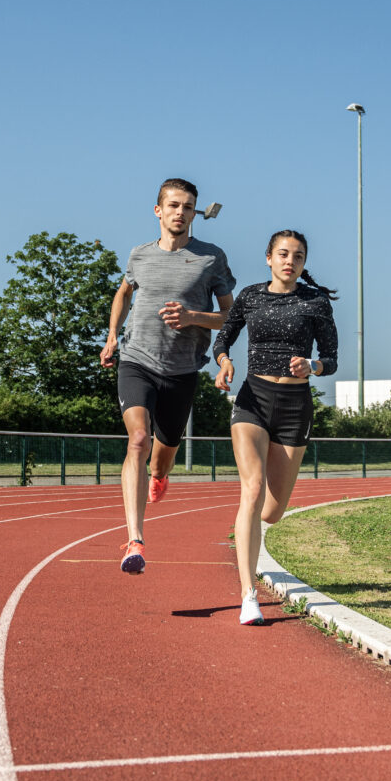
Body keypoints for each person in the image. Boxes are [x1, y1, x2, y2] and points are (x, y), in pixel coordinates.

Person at [101, 178, 234, 575]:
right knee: (137, 439)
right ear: (158, 210)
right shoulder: (139, 255)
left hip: (181, 369)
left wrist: (194, 317)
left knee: (162, 455)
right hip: (136, 359)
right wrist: (111, 337)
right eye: (174, 205)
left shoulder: (211, 259)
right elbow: (124, 293)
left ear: (195, 214)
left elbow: (231, 317)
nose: (181, 212)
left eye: (188, 207)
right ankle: (135, 539)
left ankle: (160, 475)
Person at [213, 231, 338, 624]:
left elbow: (331, 359)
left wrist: (312, 366)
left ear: (303, 263)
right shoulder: (250, 296)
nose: (290, 261)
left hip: (295, 406)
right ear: (269, 257)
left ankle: (249, 530)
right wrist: (224, 362)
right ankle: (248, 594)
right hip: (254, 399)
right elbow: (224, 337)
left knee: (272, 512)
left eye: (298, 256)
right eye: (283, 254)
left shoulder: (314, 302)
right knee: (250, 490)